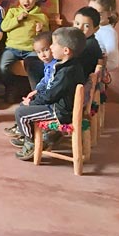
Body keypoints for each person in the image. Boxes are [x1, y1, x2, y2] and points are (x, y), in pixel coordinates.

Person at [11, 27, 86, 161]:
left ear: (66, 50)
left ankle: (31, 142)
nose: (51, 47)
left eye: (54, 44)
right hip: (62, 106)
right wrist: (36, 95)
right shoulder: (69, 65)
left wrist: (32, 102)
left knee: (21, 112)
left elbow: (51, 96)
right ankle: (35, 136)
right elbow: (50, 89)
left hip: (59, 111)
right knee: (25, 106)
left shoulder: (66, 72)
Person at [0, 0, 49, 101]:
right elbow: (4, 27)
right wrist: (17, 19)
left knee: (35, 66)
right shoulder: (13, 12)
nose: (26, 1)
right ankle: (11, 88)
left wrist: (39, 32)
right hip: (12, 48)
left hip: (31, 50)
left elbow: (45, 38)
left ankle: (36, 94)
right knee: (2, 67)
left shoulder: (41, 16)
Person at [4, 31, 56, 138]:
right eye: (38, 52)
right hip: (47, 99)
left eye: (46, 50)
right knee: (24, 105)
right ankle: (23, 129)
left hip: (52, 106)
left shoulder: (55, 66)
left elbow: (51, 89)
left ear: (54, 47)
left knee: (22, 110)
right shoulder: (48, 64)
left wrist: (36, 99)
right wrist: (36, 90)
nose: (43, 55)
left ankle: (29, 140)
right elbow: (44, 81)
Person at [88, 0, 119, 71]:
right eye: (90, 11)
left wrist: (95, 68)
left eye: (99, 13)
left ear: (109, 13)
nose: (93, 16)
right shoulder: (87, 26)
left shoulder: (109, 33)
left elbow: (114, 63)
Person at [72, 6, 103, 76]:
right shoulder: (79, 41)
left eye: (86, 26)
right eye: (77, 24)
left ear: (96, 29)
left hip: (80, 79)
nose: (80, 28)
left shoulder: (89, 44)